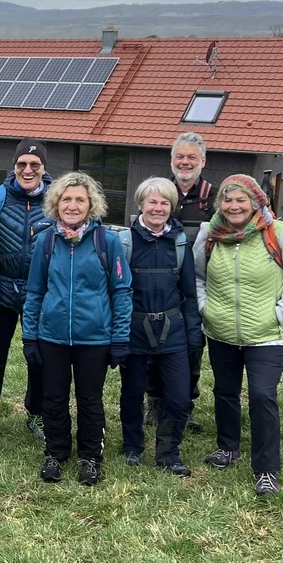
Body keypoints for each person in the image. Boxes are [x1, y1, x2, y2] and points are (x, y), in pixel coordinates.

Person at [194, 175, 283, 497]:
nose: (234, 206)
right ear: (220, 204)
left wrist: (278, 313)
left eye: (241, 200)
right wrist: (207, 309)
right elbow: (196, 277)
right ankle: (227, 446)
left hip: (268, 335)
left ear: (257, 202)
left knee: (262, 396)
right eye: (228, 200)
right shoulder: (209, 235)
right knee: (225, 391)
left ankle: (266, 469)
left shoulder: (279, 233)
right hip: (221, 331)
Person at [22, 172, 132, 486]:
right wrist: (30, 335)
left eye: (79, 199)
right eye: (66, 199)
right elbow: (35, 292)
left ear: (90, 204)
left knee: (90, 399)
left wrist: (120, 338)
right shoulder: (46, 241)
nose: (72, 205)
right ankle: (55, 452)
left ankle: (89, 457)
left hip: (94, 338)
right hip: (52, 336)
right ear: (57, 203)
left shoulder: (107, 242)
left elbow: (122, 292)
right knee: (53, 398)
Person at [117, 177, 201, 477]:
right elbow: (117, 291)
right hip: (134, 329)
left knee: (179, 397)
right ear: (141, 204)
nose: (158, 208)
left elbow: (189, 294)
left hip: (173, 331)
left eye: (165, 202)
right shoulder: (125, 242)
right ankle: (132, 446)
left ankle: (168, 452)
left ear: (171, 207)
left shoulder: (179, 243)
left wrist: (193, 337)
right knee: (132, 392)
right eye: (152, 202)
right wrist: (117, 337)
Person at [0, 138, 53, 443]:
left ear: (44, 168)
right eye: (22, 164)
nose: (28, 169)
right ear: (14, 166)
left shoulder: (55, 200)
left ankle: (36, 414)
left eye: (34, 165)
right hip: (3, 288)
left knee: (39, 357)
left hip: (40, 294)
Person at [147, 132, 216, 431]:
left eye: (191, 157)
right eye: (180, 156)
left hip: (196, 288)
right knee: (152, 347)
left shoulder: (214, 198)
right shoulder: (159, 192)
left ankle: (184, 406)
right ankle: (155, 404)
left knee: (191, 349)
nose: (185, 162)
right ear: (171, 159)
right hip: (158, 286)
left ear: (202, 161)